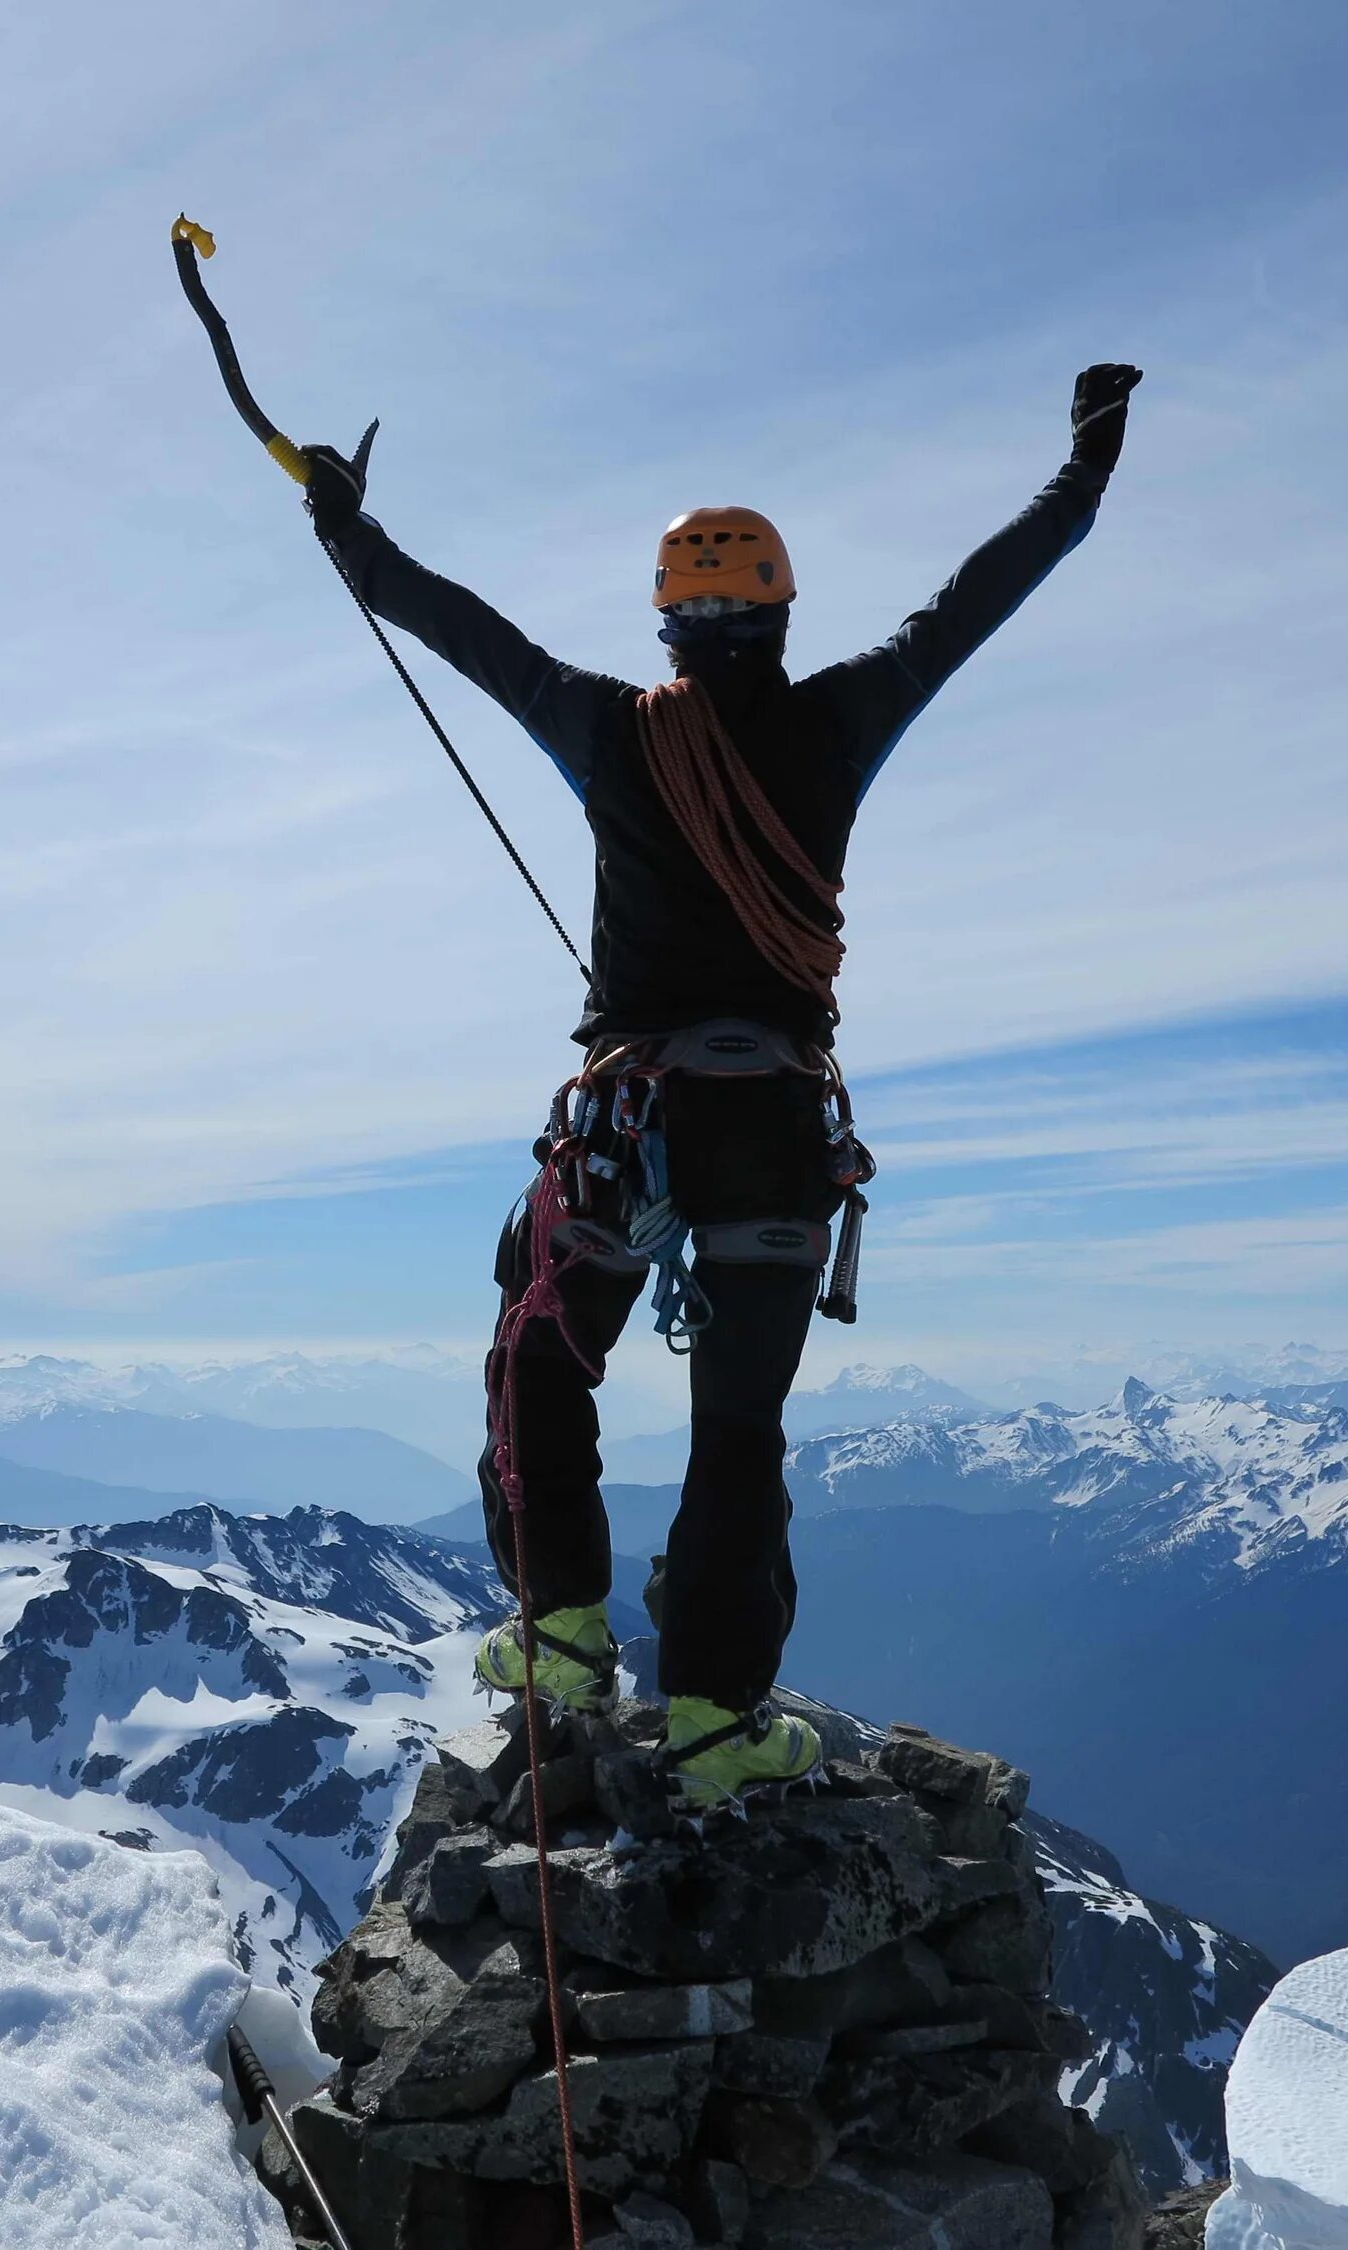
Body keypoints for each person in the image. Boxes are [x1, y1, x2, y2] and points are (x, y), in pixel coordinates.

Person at [304, 363, 1141, 1806]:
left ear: (669, 619)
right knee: (738, 1433)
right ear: (781, 612)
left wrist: (347, 534)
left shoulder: (606, 725)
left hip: (626, 1126)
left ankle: (560, 1628)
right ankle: (710, 1713)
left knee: (542, 1355)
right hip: (772, 1134)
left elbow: (465, 635)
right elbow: (973, 602)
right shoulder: (838, 720)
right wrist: (1085, 465)